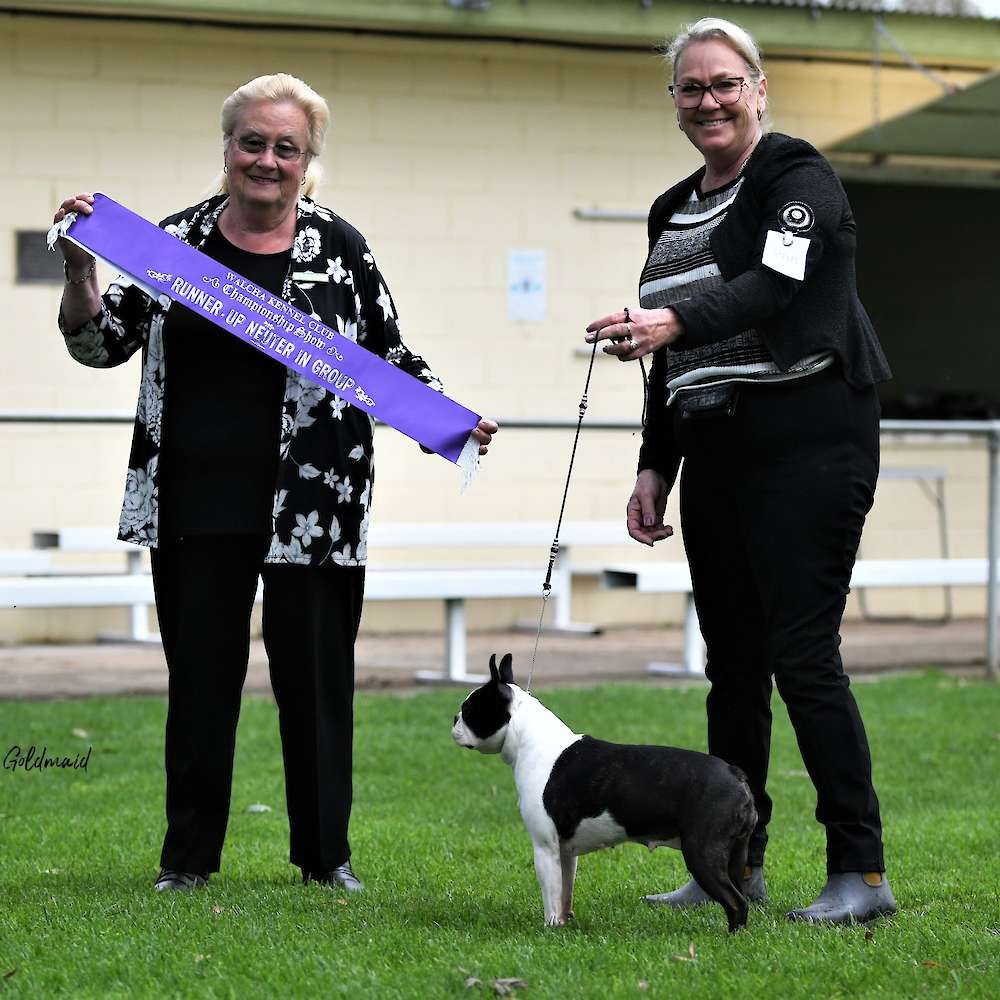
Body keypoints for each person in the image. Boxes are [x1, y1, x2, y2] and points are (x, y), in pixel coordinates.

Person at [54, 73, 497, 894]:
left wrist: (446, 417)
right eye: (251, 142)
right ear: (226, 148)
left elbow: (386, 355)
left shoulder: (342, 248)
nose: (266, 159)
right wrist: (81, 269)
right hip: (193, 499)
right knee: (199, 689)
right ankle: (186, 862)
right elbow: (100, 344)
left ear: (308, 160)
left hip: (315, 506)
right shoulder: (171, 241)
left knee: (319, 688)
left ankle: (326, 860)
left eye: (285, 148)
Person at [585, 19, 896, 925]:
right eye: (691, 88)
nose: (709, 101)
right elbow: (670, 353)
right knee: (732, 669)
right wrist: (654, 466)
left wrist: (673, 324)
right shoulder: (670, 207)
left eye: (725, 83)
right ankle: (734, 864)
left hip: (811, 435)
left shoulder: (797, 176)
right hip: (716, 446)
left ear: (759, 90)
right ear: (674, 103)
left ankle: (861, 874)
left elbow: (776, 283)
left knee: (803, 657)